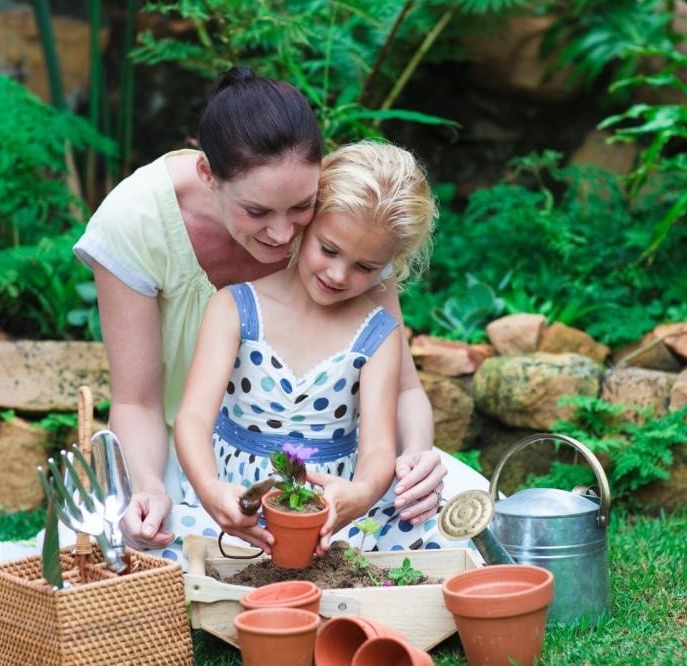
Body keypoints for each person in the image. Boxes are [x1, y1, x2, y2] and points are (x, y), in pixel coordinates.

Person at [74, 67, 476, 554]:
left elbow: (403, 390)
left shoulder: (349, 220)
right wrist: (150, 488)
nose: (283, 235)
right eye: (257, 212)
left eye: (300, 208)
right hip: (187, 455)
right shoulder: (138, 221)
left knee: (461, 519)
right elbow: (138, 402)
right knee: (129, 538)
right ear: (208, 175)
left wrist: (413, 460)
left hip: (335, 468)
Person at [173, 141, 465, 559]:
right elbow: (194, 417)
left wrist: (361, 494)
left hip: (332, 510)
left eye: (365, 267)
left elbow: (379, 448)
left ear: (388, 264)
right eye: (328, 249)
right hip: (237, 500)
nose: (338, 274)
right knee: (169, 544)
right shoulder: (236, 307)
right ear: (305, 223)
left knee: (430, 545)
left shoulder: (376, 331)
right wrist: (209, 488)